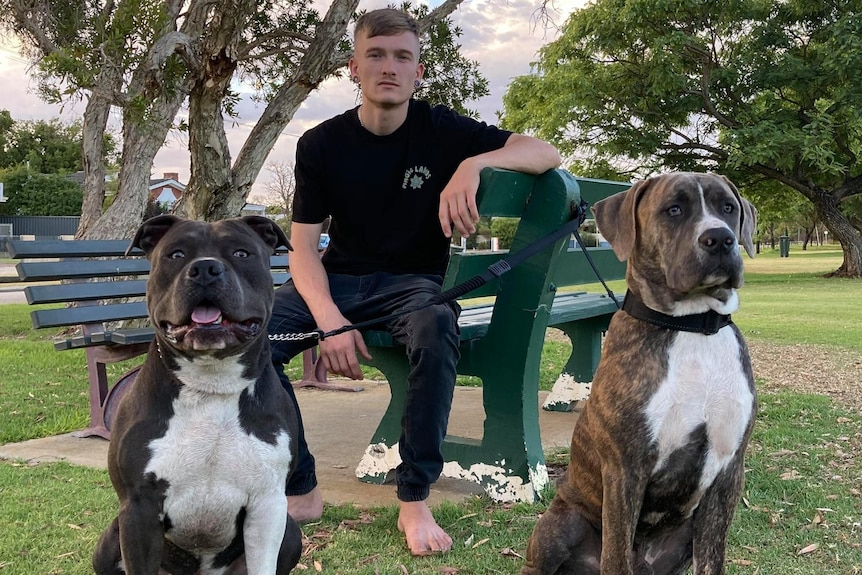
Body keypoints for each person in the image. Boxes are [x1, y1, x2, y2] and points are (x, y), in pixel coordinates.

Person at [267, 8, 561, 556]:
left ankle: (413, 495)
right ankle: (300, 484)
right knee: (254, 345)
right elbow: (303, 253)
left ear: (418, 70)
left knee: (434, 326)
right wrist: (330, 321)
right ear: (353, 66)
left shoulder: (442, 130)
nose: (389, 67)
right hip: (338, 286)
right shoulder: (320, 145)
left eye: (403, 56)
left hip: (412, 288)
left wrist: (473, 165)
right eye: (376, 55)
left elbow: (545, 153)